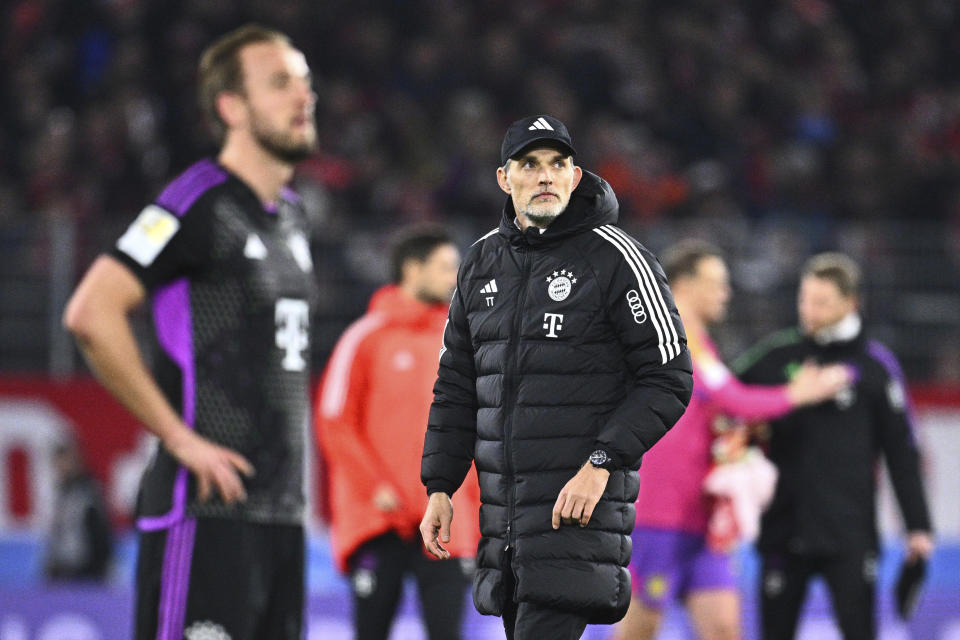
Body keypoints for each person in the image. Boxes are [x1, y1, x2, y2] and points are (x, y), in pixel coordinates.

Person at [63, 24, 317, 640]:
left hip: (282, 517)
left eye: (306, 81)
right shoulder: (197, 202)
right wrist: (179, 438)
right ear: (232, 107)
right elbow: (91, 311)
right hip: (205, 514)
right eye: (280, 83)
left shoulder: (292, 217)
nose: (304, 96)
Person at [418, 114, 694, 640]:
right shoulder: (480, 264)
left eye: (557, 164)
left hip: (576, 518)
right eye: (530, 164)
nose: (545, 176)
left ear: (574, 175)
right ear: (505, 179)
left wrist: (601, 463)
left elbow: (669, 377)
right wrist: (440, 485)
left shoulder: (618, 258)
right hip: (506, 530)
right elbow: (456, 385)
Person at [613, 241, 850, 640]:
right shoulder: (665, 339)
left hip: (703, 518)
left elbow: (718, 406)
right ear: (685, 286)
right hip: (659, 513)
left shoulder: (703, 345)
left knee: (724, 629)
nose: (726, 293)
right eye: (716, 284)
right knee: (640, 630)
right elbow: (731, 398)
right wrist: (798, 394)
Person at [733, 252, 935, 640]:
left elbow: (902, 452)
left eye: (822, 302)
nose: (809, 311)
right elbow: (723, 402)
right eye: (805, 299)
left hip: (850, 534)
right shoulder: (776, 357)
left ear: (851, 303)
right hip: (783, 528)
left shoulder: (876, 366)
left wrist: (918, 527)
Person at [316, 226, 482, 640]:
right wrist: (374, 488)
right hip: (378, 519)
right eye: (445, 267)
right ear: (412, 268)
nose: (454, 277)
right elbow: (334, 422)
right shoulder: (364, 338)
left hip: (448, 519)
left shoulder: (462, 344)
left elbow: (481, 430)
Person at [44, 440, 114, 582]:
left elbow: (100, 530)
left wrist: (99, 566)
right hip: (63, 567)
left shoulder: (88, 491)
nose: (61, 467)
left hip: (85, 570)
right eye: (58, 463)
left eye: (64, 461)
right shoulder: (62, 491)